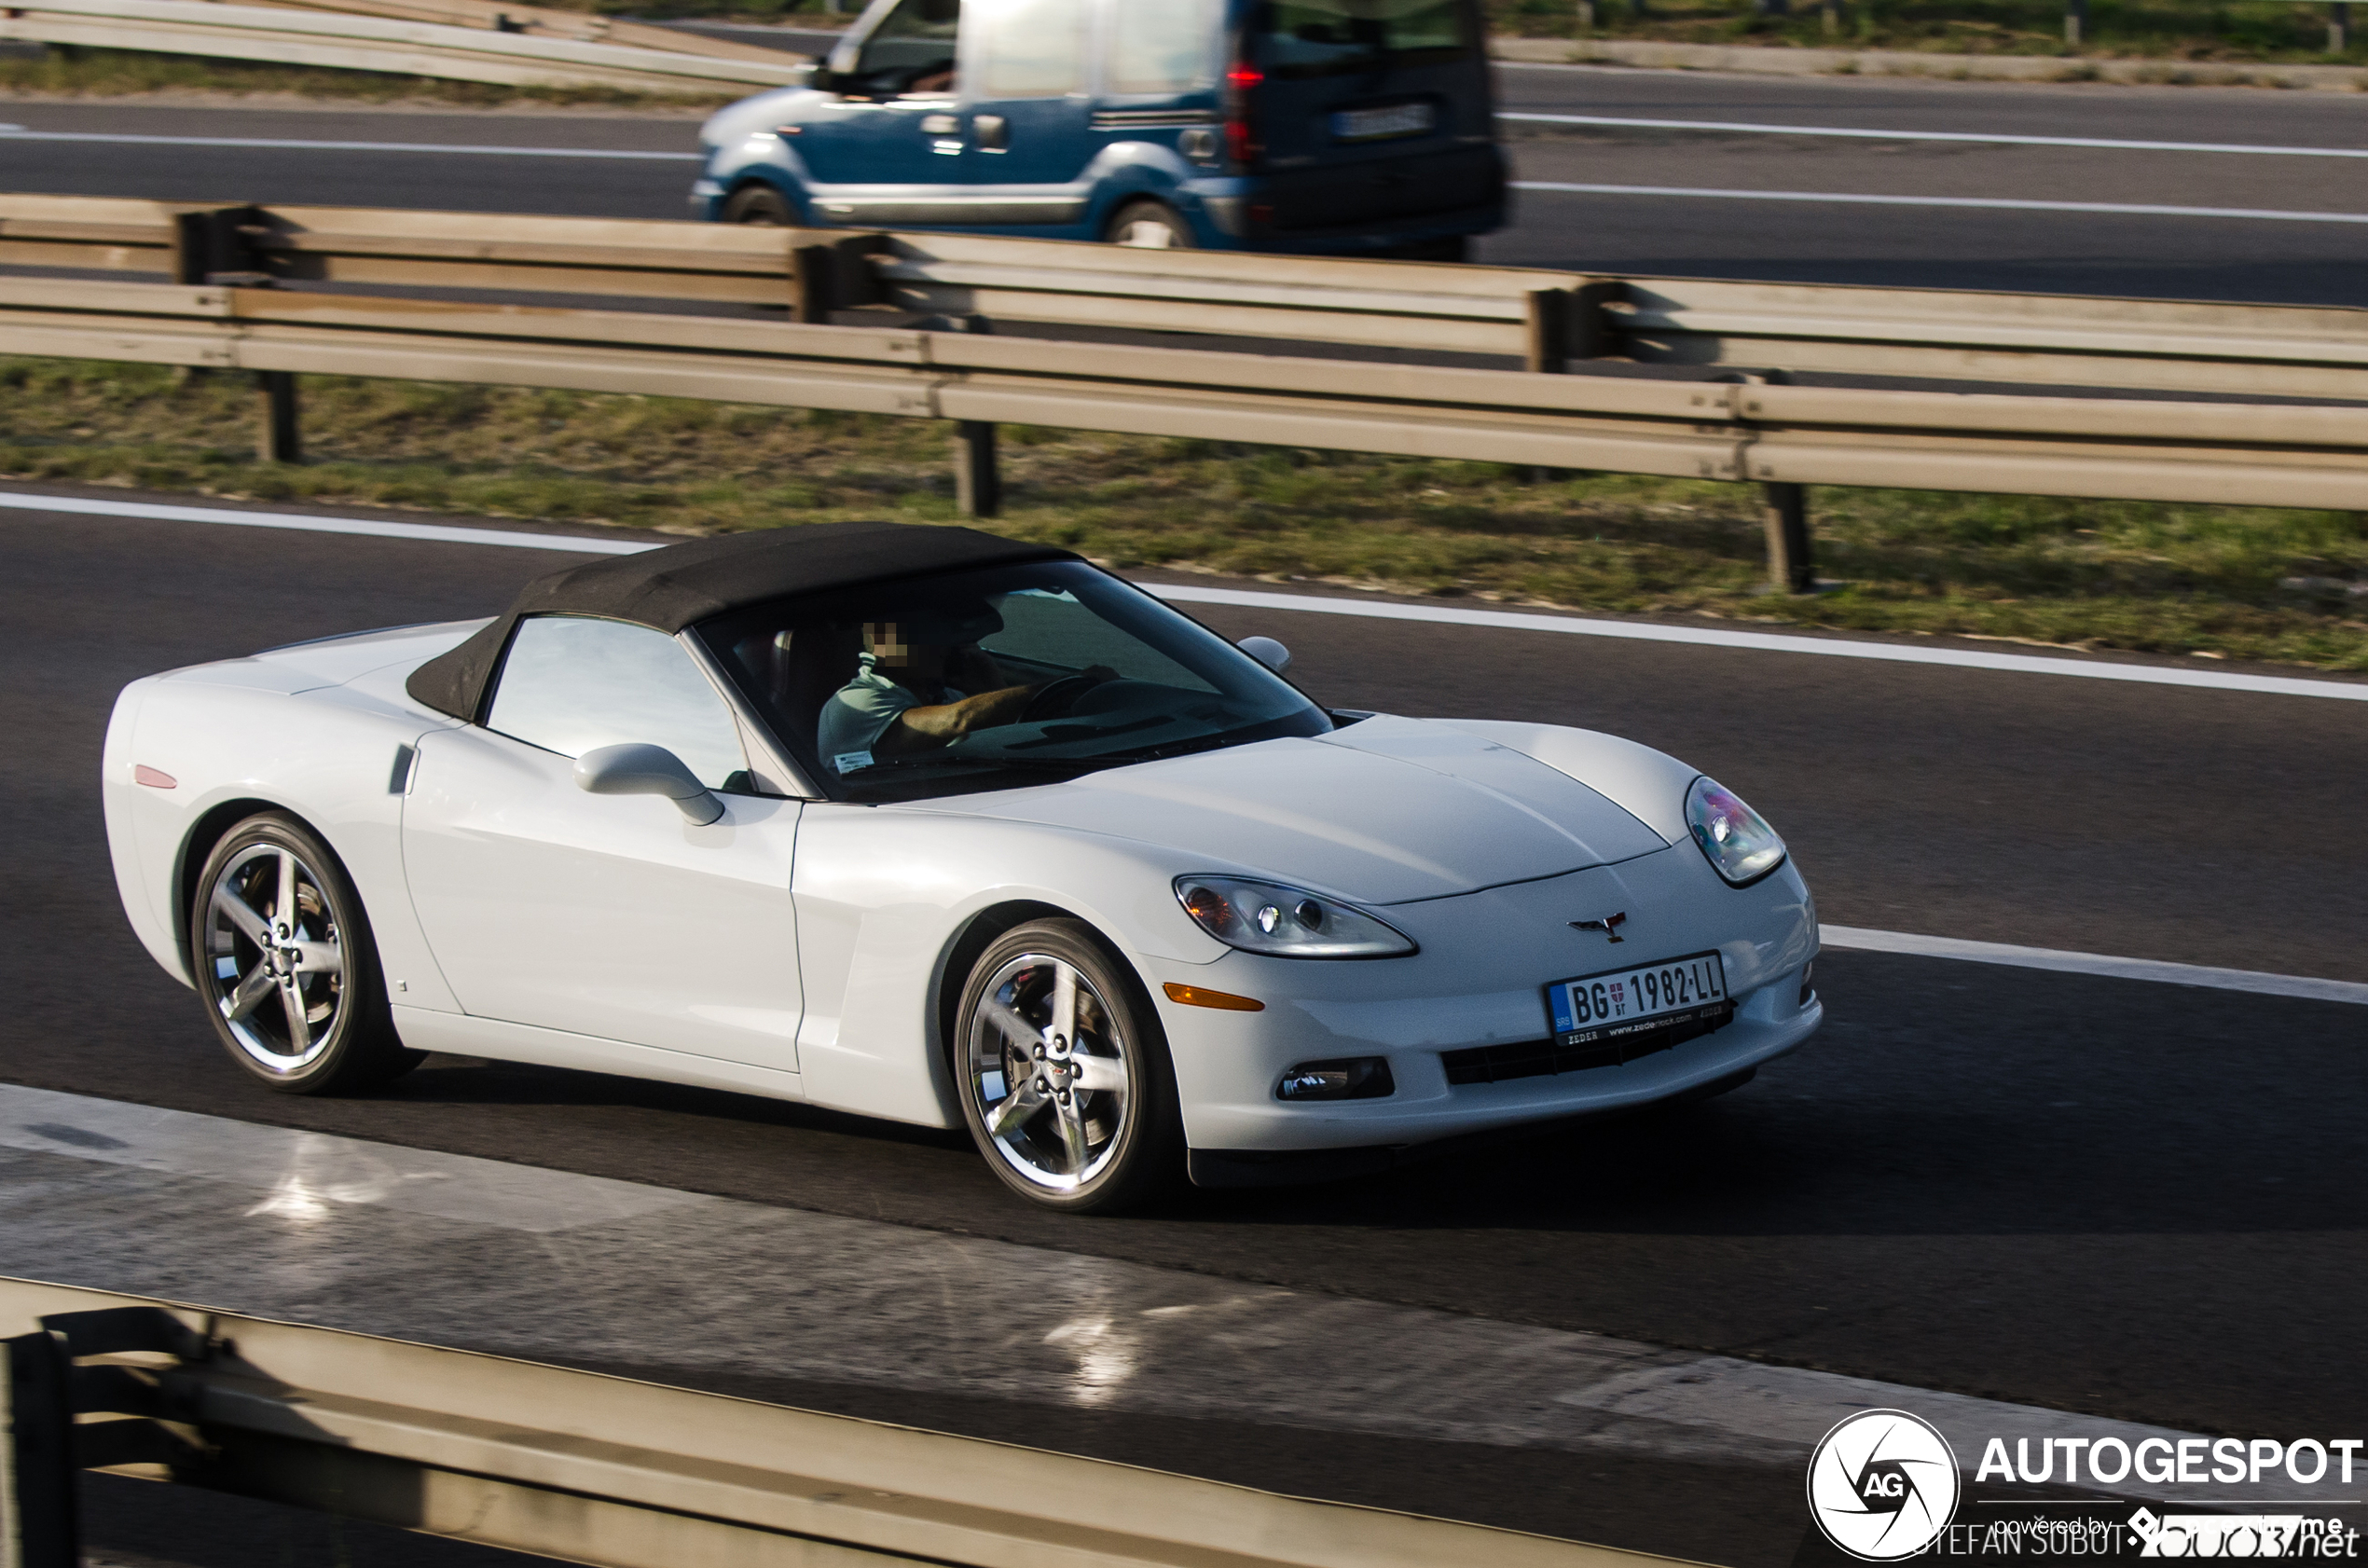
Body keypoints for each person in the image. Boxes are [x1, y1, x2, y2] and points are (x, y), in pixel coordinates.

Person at [817, 602, 1065, 772]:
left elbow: (1008, 740)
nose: (940, 647)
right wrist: (1047, 689)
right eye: (923, 635)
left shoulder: (947, 696)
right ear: (886, 644)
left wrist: (991, 684)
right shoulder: (858, 701)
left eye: (943, 638)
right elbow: (957, 720)